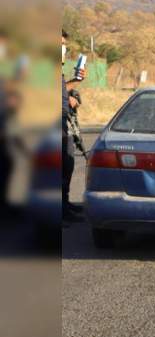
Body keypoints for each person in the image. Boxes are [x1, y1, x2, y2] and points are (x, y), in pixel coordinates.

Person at [62, 30, 86, 223]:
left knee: (67, 164)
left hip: (62, 122)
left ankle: (64, 205)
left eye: (64, 44)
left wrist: (75, 82)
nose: (63, 48)